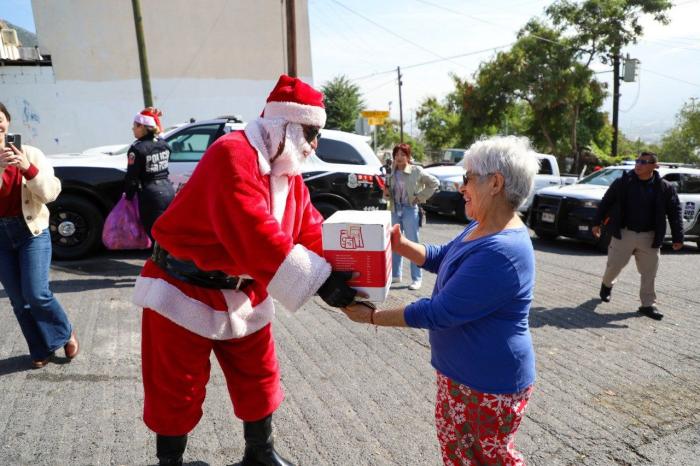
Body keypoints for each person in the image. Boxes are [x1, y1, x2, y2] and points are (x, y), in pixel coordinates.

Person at [132, 75, 358, 466]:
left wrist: (354, 268)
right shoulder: (232, 153)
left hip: (244, 291)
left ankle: (260, 453)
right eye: (311, 132)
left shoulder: (286, 175)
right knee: (176, 388)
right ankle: (170, 463)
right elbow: (254, 231)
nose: (315, 144)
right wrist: (321, 282)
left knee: (260, 376)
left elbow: (310, 229)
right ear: (285, 125)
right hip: (182, 287)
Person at [343, 136, 538, 466]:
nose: (462, 187)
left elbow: (441, 312)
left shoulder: (503, 251)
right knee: (459, 456)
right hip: (461, 376)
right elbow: (440, 256)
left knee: (492, 460)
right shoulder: (480, 227)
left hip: (488, 385)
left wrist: (372, 317)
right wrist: (401, 244)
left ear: (495, 183)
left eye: (468, 178)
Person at [0, 102, 79, 369]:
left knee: (36, 293)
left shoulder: (30, 153)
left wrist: (27, 168)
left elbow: (50, 193)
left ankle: (64, 331)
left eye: (0, 118)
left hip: (31, 231)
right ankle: (40, 346)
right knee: (18, 300)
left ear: (8, 122)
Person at [592, 151, 683, 320]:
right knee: (614, 266)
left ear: (654, 166)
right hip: (623, 233)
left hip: (649, 237)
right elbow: (606, 201)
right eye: (637, 161)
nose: (638, 164)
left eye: (643, 162)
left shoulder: (665, 187)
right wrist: (596, 223)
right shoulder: (623, 182)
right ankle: (606, 285)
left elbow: (674, 212)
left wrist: (678, 237)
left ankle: (648, 305)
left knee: (649, 272)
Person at [383, 143, 438, 290]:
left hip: (409, 209)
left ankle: (417, 278)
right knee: (395, 241)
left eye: (403, 154)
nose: (399, 158)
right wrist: (386, 192)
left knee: (413, 243)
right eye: (397, 155)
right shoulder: (391, 172)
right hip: (395, 209)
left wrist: (420, 197)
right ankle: (396, 275)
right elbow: (387, 193)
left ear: (408, 157)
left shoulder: (416, 170)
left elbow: (434, 183)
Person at [124, 107, 175, 241]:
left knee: (155, 235)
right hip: (169, 191)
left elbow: (132, 178)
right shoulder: (164, 145)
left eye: (135, 125)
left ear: (142, 127)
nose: (132, 129)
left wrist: (128, 196)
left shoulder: (137, 149)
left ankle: (162, 261)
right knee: (168, 231)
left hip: (151, 195)